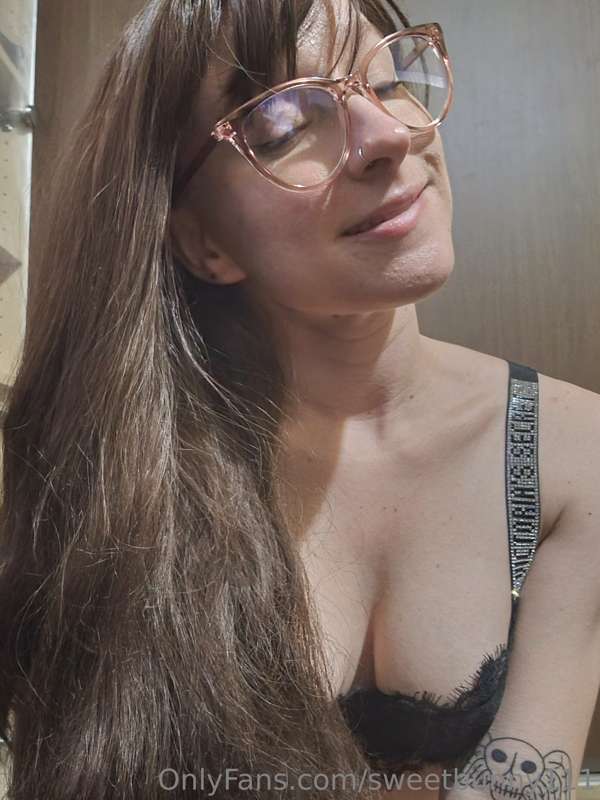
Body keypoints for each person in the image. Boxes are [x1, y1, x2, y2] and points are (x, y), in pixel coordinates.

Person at [1, 1, 599, 798]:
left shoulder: (573, 454)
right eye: (283, 124)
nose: (389, 136)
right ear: (203, 242)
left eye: (389, 80)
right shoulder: (108, 472)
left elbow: (525, 783)